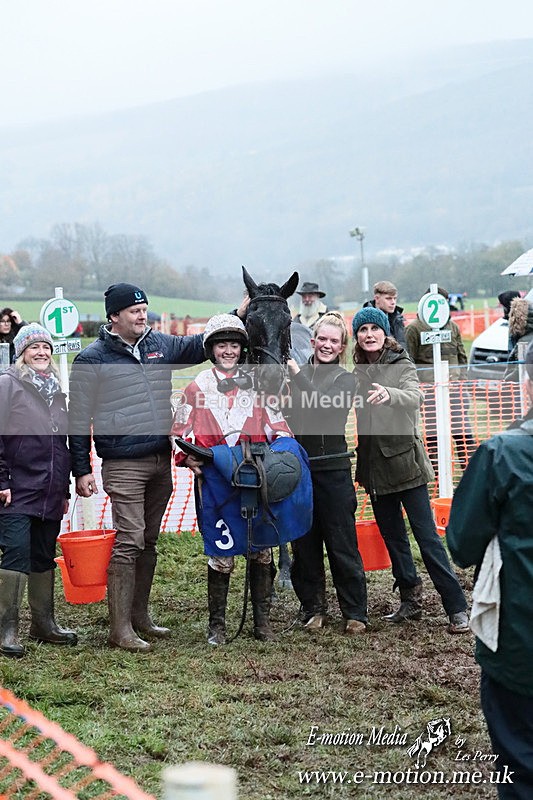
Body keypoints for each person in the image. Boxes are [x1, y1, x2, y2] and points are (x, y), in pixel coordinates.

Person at [69, 283, 210, 653]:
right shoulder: (92, 359)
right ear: (114, 316)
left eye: (144, 309)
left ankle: (140, 617)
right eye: (134, 311)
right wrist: (81, 469)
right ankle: (119, 629)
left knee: (148, 540)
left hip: (160, 461)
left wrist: (243, 309)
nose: (142, 315)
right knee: (129, 539)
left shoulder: (159, 345)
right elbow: (78, 417)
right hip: (122, 463)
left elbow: (202, 344)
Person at [170, 314, 293, 645]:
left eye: (234, 345)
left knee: (261, 549)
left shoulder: (258, 386)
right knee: (221, 552)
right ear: (212, 349)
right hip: (216, 479)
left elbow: (278, 427)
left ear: (242, 349)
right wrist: (188, 457)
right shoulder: (197, 386)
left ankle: (263, 623)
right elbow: (179, 431)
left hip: (256, 477)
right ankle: (217, 626)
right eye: (222, 345)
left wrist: (283, 452)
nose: (228, 351)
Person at [447, 340, 533, 799]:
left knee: (520, 762)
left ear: (526, 382)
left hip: (519, 642)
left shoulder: (503, 454)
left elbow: (461, 543)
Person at [351, 307, 468, 633]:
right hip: (374, 469)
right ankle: (410, 601)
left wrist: (390, 394)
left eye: (375, 328)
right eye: (363, 330)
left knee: (427, 539)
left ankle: (456, 606)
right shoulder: (358, 369)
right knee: (394, 540)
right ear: (358, 336)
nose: (369, 334)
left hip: (407, 465)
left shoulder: (400, 362)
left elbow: (415, 396)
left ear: (384, 332)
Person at [286, 312, 368, 634]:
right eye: (322, 339)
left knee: (341, 543)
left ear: (342, 347)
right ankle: (313, 609)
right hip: (301, 472)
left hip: (334, 471)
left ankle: (355, 612)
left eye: (334, 341)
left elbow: (325, 408)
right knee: (305, 545)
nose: (327, 345)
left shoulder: (346, 380)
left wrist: (296, 377)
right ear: (312, 340)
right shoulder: (297, 374)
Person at [0, 324, 76, 658]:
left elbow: (61, 444)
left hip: (50, 490)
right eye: (34, 348)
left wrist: (65, 486)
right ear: (22, 353)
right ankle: (7, 630)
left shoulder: (57, 391)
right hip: (16, 489)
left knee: (44, 556)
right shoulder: (7, 385)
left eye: (45, 347)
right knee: (16, 554)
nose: (42, 353)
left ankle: (43, 624)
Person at [405, 286, 476, 472]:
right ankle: (435, 475)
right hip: (429, 395)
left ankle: (472, 472)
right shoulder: (413, 329)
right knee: (433, 439)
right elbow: (409, 362)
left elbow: (461, 356)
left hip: (455, 392)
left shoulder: (453, 327)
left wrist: (462, 382)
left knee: (464, 436)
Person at [363, 280, 406, 346]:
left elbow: (403, 345)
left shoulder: (398, 319)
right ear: (377, 298)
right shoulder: (365, 320)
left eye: (395, 298)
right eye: (388, 298)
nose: (393, 302)